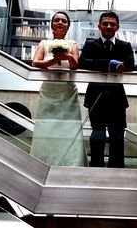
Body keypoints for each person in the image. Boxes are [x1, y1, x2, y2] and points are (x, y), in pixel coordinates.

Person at [30, 11, 87, 166]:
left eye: (63, 21)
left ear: (68, 26)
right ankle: (42, 161)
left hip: (68, 91)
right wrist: (52, 61)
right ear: (52, 25)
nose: (60, 23)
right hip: (49, 90)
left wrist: (67, 57)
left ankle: (72, 163)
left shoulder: (73, 44)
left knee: (70, 128)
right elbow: (35, 63)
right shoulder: (43, 43)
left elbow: (75, 65)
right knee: (46, 127)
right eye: (57, 20)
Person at [78, 11, 134, 168]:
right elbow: (83, 63)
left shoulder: (125, 46)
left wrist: (100, 63)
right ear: (99, 26)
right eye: (105, 23)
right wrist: (110, 63)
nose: (108, 26)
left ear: (117, 27)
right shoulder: (90, 44)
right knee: (98, 136)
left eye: (112, 24)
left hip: (117, 99)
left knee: (117, 138)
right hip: (95, 97)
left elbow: (130, 64)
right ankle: (96, 170)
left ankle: (116, 173)